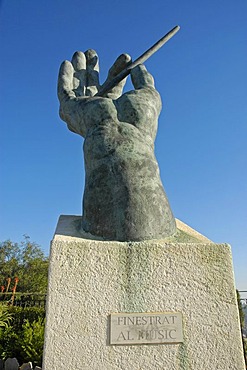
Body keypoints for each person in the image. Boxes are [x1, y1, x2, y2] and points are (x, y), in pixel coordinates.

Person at [57, 49, 176, 241]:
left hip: (126, 229)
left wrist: (96, 124)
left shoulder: (137, 120)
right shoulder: (140, 114)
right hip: (141, 227)